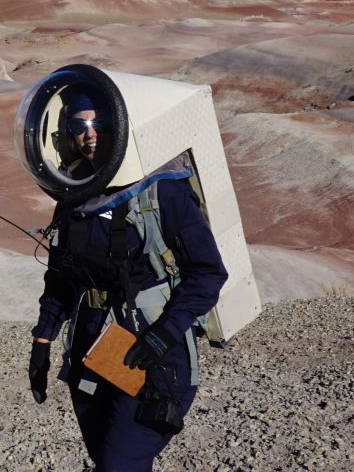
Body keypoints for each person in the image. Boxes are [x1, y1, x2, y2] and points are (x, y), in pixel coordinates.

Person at [28, 92, 228, 471]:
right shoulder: (74, 195)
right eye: (79, 126)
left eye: (99, 123)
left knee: (119, 464)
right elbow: (61, 277)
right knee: (109, 459)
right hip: (92, 348)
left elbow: (208, 273)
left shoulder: (161, 189)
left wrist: (163, 334)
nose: (90, 135)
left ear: (120, 126)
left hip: (152, 352)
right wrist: (43, 340)